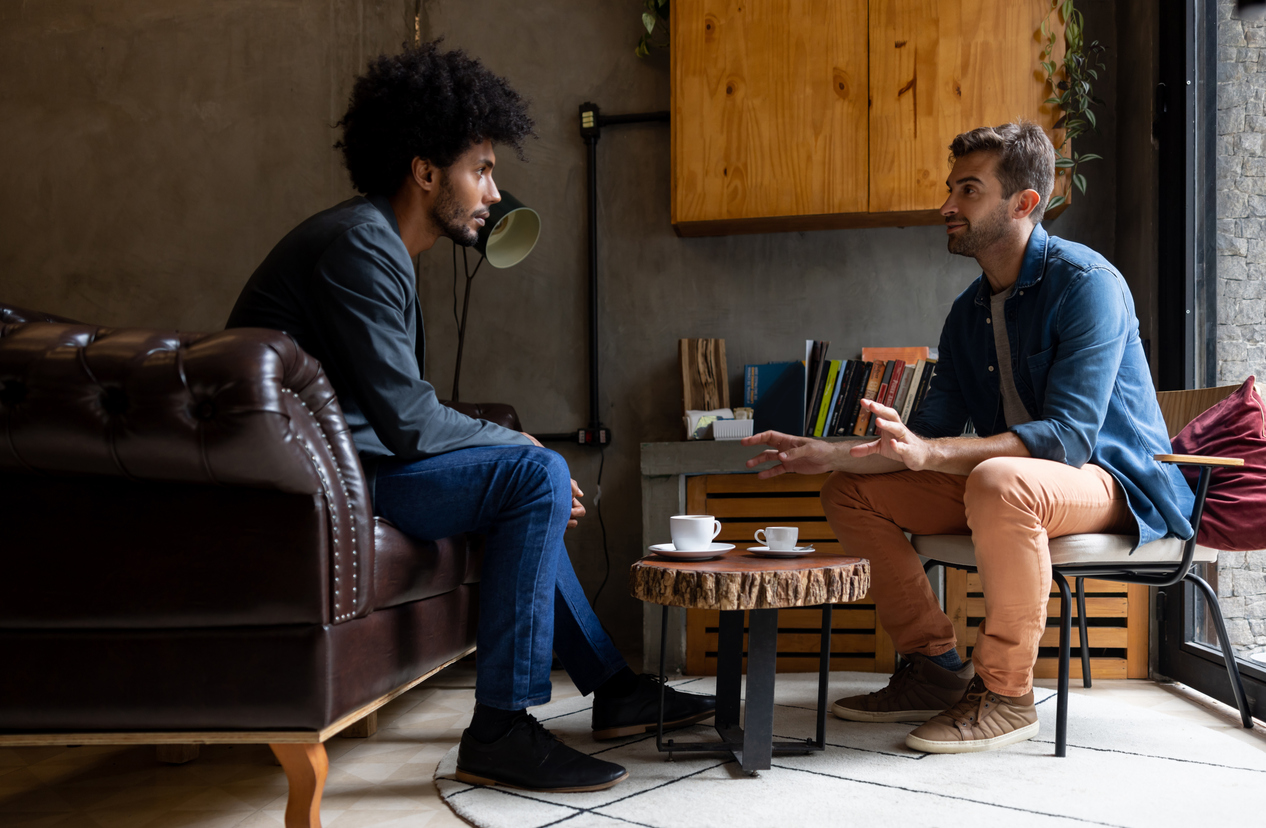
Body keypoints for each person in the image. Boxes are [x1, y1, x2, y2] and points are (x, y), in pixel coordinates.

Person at [227, 42, 713, 792]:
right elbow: (409, 424)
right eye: (480, 168)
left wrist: (508, 449)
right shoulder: (361, 245)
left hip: (350, 466)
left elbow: (400, 412)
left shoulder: (374, 243)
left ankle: (613, 692)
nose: (493, 191)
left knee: (530, 475)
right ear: (426, 171)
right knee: (533, 473)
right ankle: (500, 731)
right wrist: (513, 443)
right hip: (329, 479)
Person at [742, 122, 1194, 754]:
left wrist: (931, 455)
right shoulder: (968, 311)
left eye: (969, 191)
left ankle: (1007, 694)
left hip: (1116, 483)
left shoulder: (1087, 284)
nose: (947, 206)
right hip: (1014, 488)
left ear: (1024, 203)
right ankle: (932, 667)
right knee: (849, 492)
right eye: (951, 188)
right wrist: (826, 453)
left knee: (997, 479)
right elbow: (922, 439)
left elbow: (1067, 440)